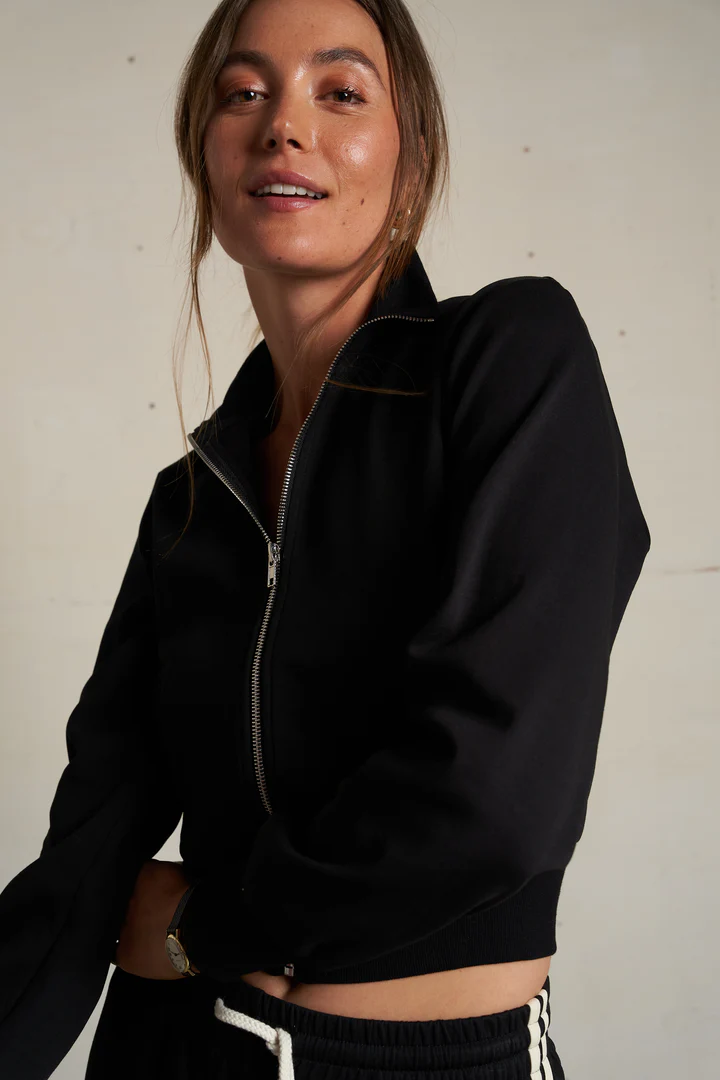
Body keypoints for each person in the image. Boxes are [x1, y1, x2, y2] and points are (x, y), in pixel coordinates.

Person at [0, 0, 652, 1077]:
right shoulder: (190, 499)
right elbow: (87, 857)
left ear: (412, 155)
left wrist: (205, 929)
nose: (283, 126)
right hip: (178, 1049)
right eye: (243, 93)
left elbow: (496, 799)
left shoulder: (509, 359)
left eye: (340, 92)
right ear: (206, 160)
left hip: (430, 1058)